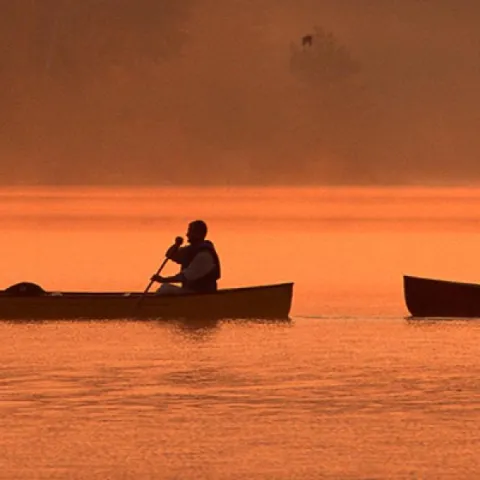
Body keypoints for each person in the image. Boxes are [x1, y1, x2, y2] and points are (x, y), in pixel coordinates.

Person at [151, 220, 221, 294]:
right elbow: (170, 255)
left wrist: (163, 280)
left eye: (190, 231)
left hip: (200, 293)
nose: (187, 234)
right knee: (164, 288)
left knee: (164, 289)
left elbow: (185, 277)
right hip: (190, 291)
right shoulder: (190, 250)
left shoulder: (204, 255)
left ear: (198, 234)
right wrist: (176, 245)